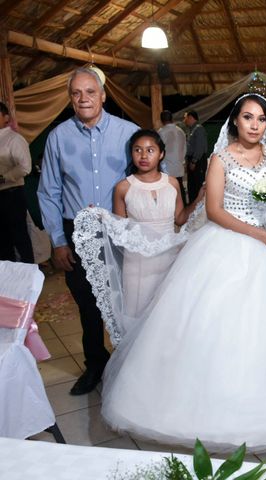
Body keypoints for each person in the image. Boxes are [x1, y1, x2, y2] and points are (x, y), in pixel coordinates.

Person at [100, 93, 266, 452]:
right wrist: (256, 232)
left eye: (261, 119)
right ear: (235, 121)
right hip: (229, 243)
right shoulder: (220, 159)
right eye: (248, 118)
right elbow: (214, 210)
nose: (255, 125)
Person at [37, 67, 139, 396]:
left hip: (119, 229)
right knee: (87, 302)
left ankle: (130, 365)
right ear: (70, 98)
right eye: (76, 93)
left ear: (103, 95)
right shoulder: (58, 137)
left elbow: (150, 177)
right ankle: (95, 364)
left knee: (126, 300)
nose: (84, 99)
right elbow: (48, 191)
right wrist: (58, 241)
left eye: (90, 92)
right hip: (76, 232)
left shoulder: (129, 133)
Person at [112, 129, 201, 324]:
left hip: (169, 256)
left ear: (161, 154)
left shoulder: (172, 183)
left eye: (150, 150)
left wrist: (198, 198)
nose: (143, 156)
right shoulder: (123, 187)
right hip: (138, 262)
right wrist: (101, 219)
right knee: (138, 313)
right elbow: (118, 231)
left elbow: (179, 218)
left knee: (165, 316)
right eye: (137, 150)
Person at [0, 101, 34, 263]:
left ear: (6, 117)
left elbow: (25, 166)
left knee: (19, 237)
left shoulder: (14, 139)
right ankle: (8, 281)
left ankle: (28, 278)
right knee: (2, 241)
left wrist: (4, 177)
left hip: (12, 194)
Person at [158, 110, 187, 203]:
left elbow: (159, 151)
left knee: (169, 194)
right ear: (172, 119)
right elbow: (185, 148)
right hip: (179, 166)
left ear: (161, 120)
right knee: (180, 190)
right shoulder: (181, 131)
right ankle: (183, 211)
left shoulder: (161, 132)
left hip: (167, 168)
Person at [184, 110, 208, 204]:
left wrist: (194, 161)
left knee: (197, 184)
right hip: (193, 159)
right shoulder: (193, 129)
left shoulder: (198, 129)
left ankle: (198, 206)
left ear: (191, 118)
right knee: (192, 185)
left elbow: (199, 148)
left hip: (198, 161)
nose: (184, 120)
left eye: (185, 118)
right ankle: (193, 205)